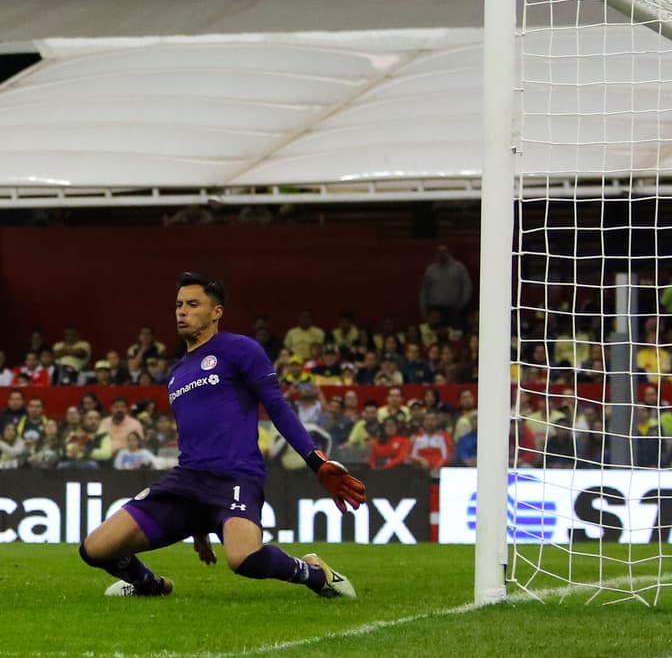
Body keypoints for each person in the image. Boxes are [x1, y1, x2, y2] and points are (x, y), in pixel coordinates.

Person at [79, 272, 364, 600]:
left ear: (216, 312)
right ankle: (149, 585)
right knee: (94, 549)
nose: (181, 311)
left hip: (235, 477)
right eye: (178, 305)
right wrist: (196, 524)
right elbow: (194, 440)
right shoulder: (176, 375)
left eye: (192, 304)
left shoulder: (240, 349)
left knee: (243, 559)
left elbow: (278, 407)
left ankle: (315, 574)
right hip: (186, 483)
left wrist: (316, 461)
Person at [419, 245, 471, 329]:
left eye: (444, 252)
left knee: (454, 333)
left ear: (449, 252)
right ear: (436, 254)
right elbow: (424, 290)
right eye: (439, 252)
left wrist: (462, 303)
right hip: (434, 309)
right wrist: (424, 309)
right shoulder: (430, 269)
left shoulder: (459, 268)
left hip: (453, 308)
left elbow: (467, 287)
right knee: (432, 336)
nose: (441, 254)